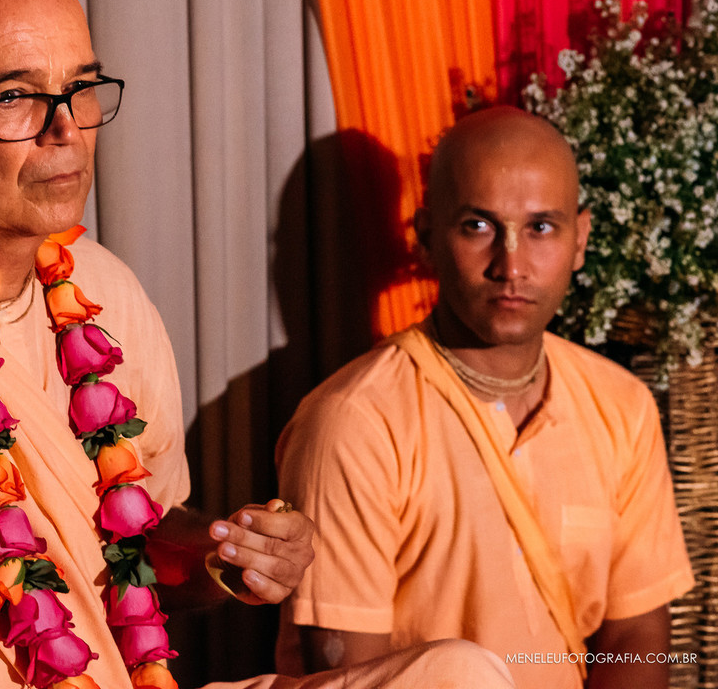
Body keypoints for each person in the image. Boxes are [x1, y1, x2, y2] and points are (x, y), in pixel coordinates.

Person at [0, 0, 514, 689]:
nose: (67, 129)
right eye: (16, 99)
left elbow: (142, 557)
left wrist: (219, 555)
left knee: (462, 675)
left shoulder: (104, 290)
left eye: (81, 89)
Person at [275, 106, 695, 689]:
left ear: (581, 239)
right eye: (478, 226)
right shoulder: (355, 421)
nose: (511, 265)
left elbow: (636, 639)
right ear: (425, 237)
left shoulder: (621, 405)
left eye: (541, 227)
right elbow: (350, 676)